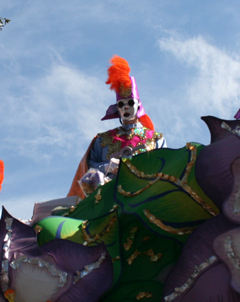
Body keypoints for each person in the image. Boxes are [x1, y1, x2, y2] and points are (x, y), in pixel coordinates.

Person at [68, 56, 166, 199]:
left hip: (145, 197)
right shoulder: (103, 140)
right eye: (122, 104)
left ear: (138, 106)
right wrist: (111, 167)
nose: (126, 106)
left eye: (130, 103)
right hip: (108, 198)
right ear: (117, 109)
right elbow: (88, 171)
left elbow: (164, 168)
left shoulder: (156, 138)